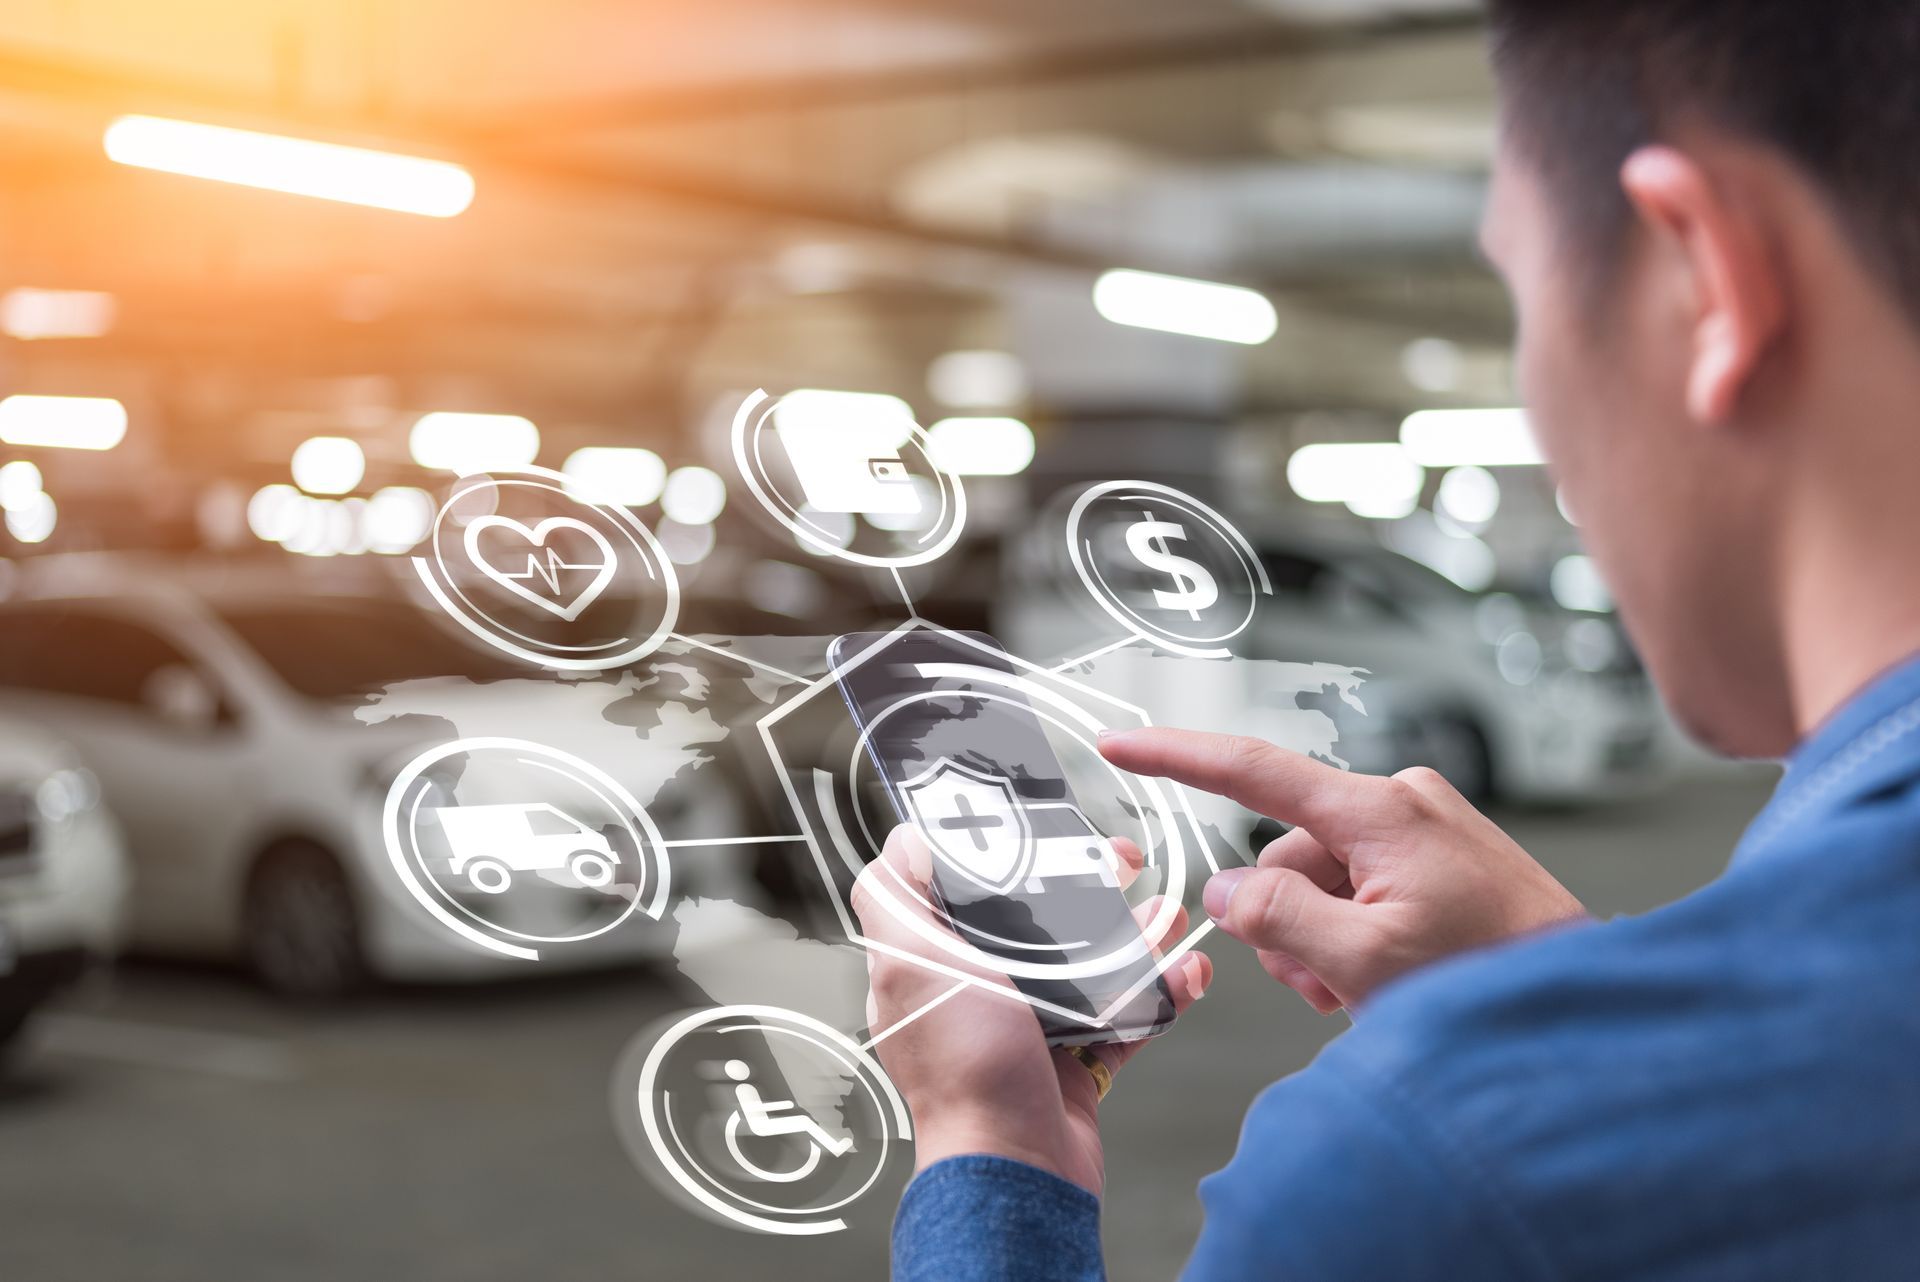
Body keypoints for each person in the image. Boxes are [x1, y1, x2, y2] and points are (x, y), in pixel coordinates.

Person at [854, 1, 1920, 1277]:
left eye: (1521, 296)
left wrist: (990, 1137)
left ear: (1703, 283)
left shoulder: (1446, 1168)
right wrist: (1570, 986)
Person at [724, 1059, 855, 1157]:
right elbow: (755, 1109)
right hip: (762, 1125)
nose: (746, 1070)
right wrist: (785, 1104)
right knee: (804, 1121)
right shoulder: (744, 1088)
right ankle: (834, 1146)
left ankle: (830, 1145)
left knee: (804, 1120)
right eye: (742, 1068)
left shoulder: (747, 1086)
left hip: (765, 1121)